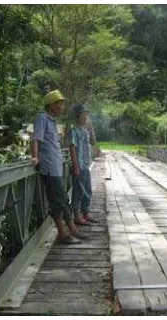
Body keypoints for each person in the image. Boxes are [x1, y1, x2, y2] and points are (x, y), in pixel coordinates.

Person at [31, 90, 88, 244]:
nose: (62, 107)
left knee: (62, 198)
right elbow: (36, 138)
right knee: (58, 200)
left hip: (56, 166)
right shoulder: (42, 117)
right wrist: (35, 157)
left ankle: (71, 231)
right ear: (51, 105)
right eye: (60, 103)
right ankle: (64, 233)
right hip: (49, 167)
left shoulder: (52, 120)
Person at [68, 103, 98, 225]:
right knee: (78, 191)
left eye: (86, 115)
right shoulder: (74, 131)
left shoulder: (85, 131)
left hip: (86, 165)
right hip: (79, 165)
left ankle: (85, 213)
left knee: (87, 190)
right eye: (83, 115)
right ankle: (76, 215)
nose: (85, 117)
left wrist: (92, 129)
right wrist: (75, 166)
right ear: (77, 116)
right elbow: (72, 149)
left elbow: (93, 142)